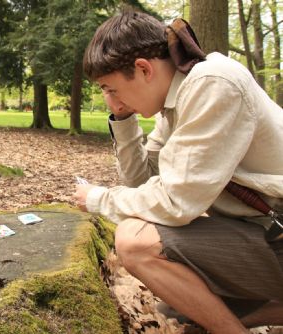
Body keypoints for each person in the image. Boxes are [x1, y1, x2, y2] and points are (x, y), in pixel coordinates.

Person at [73, 10, 283, 334]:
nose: (110, 101)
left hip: (276, 232)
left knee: (134, 244)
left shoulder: (212, 85)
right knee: (179, 302)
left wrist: (99, 199)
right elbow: (141, 182)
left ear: (143, 68)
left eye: (110, 88)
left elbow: (174, 202)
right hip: (264, 232)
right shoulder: (175, 103)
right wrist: (124, 118)